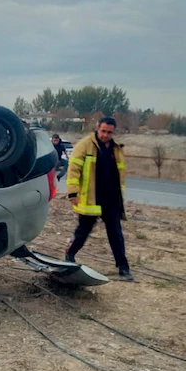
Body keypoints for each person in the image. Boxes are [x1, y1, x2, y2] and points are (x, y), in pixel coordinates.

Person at [65, 117, 133, 281]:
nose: (106, 135)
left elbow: (120, 174)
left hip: (111, 199)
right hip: (91, 198)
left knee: (116, 233)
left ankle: (123, 267)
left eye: (109, 132)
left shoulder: (116, 149)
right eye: (103, 131)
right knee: (83, 231)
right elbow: (73, 169)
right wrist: (73, 193)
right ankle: (69, 255)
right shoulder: (85, 144)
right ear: (97, 128)